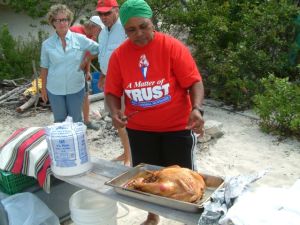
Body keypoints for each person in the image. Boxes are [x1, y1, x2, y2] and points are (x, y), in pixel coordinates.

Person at [104, 0, 205, 224]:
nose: (139, 33)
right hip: (140, 131)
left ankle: (190, 218)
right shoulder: (119, 56)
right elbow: (111, 92)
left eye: (144, 26)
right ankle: (153, 216)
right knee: (148, 179)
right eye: (131, 29)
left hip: (178, 128)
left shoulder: (172, 47)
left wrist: (196, 109)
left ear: (152, 23)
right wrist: (114, 111)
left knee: (185, 180)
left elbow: (194, 82)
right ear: (124, 30)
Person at [40, 4, 99, 123]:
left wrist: (87, 60)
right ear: (53, 23)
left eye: (65, 19)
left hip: (76, 87)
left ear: (69, 21)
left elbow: (99, 49)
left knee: (76, 120)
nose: (62, 23)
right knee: (60, 121)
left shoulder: (80, 39)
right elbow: (44, 67)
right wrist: (43, 88)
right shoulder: (47, 45)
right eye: (58, 20)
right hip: (55, 89)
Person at [96, 0, 131, 166]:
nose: (103, 17)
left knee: (125, 119)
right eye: (100, 14)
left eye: (107, 13)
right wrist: (103, 75)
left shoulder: (126, 29)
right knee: (117, 119)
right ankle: (126, 152)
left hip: (125, 82)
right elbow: (105, 58)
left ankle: (130, 156)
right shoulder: (102, 33)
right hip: (110, 81)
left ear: (116, 10)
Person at [70, 16, 104, 130]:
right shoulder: (74, 31)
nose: (100, 32)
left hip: (81, 70)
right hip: (70, 71)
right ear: (94, 26)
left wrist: (88, 71)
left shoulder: (91, 36)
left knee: (85, 96)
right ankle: (74, 124)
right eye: (99, 29)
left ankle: (87, 121)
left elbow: (88, 55)